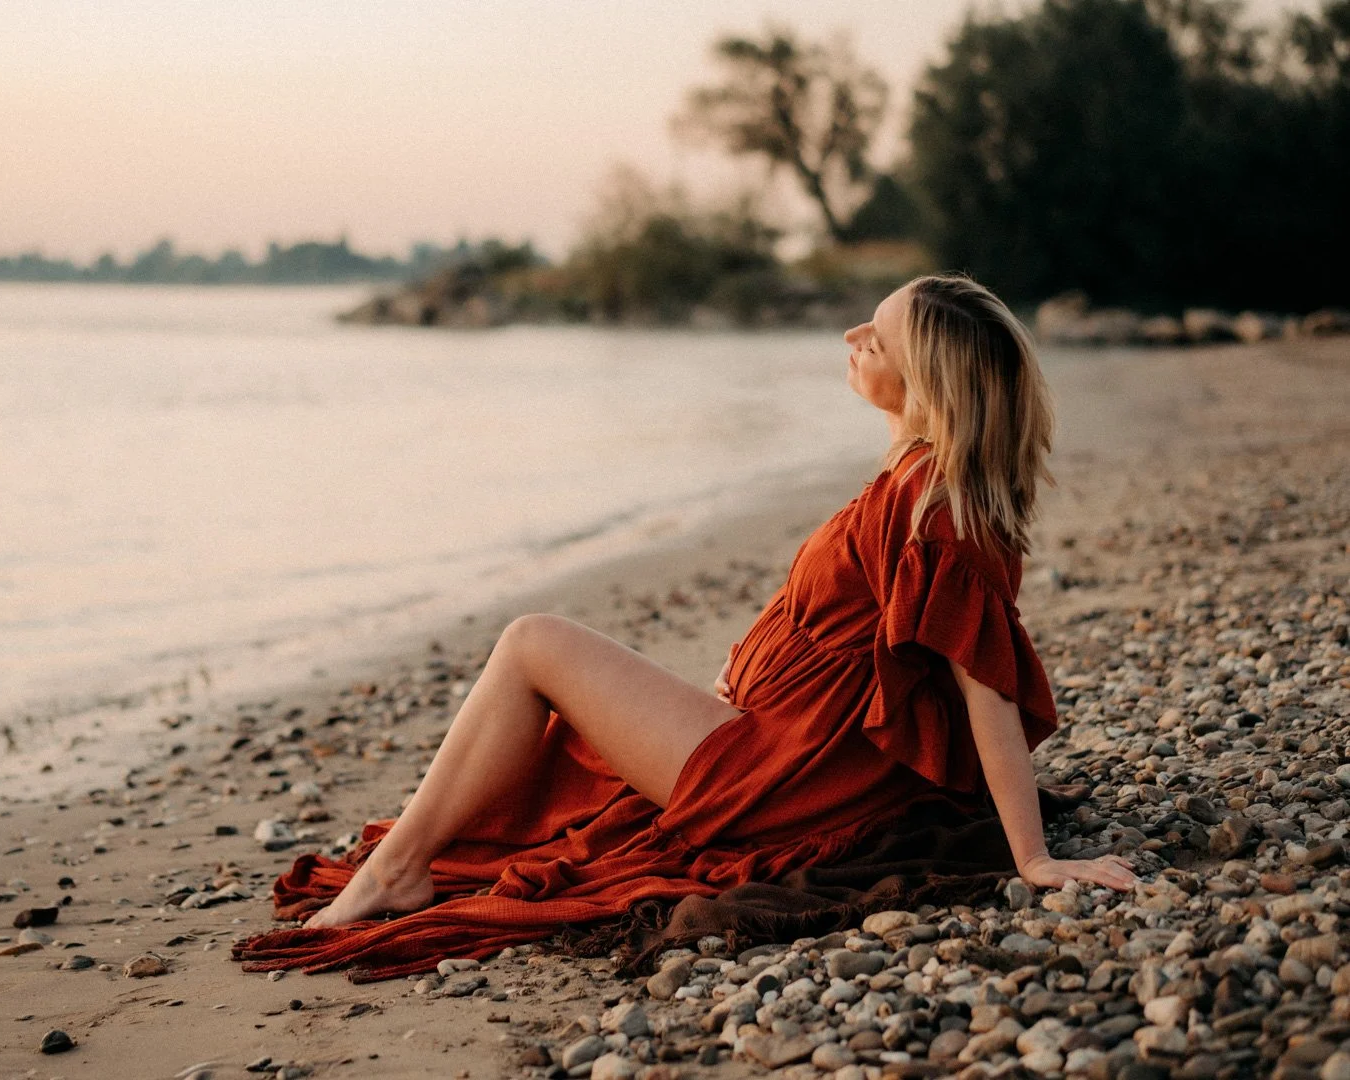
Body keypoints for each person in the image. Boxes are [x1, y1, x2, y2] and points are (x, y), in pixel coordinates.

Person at [235, 273, 1137, 979]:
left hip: (770, 778)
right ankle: (408, 858)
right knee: (547, 667)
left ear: (925, 378)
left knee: (531, 641)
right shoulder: (919, 482)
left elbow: (986, 686)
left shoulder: (932, 507)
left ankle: (396, 873)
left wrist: (1031, 856)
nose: (852, 339)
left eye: (878, 334)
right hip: (767, 743)